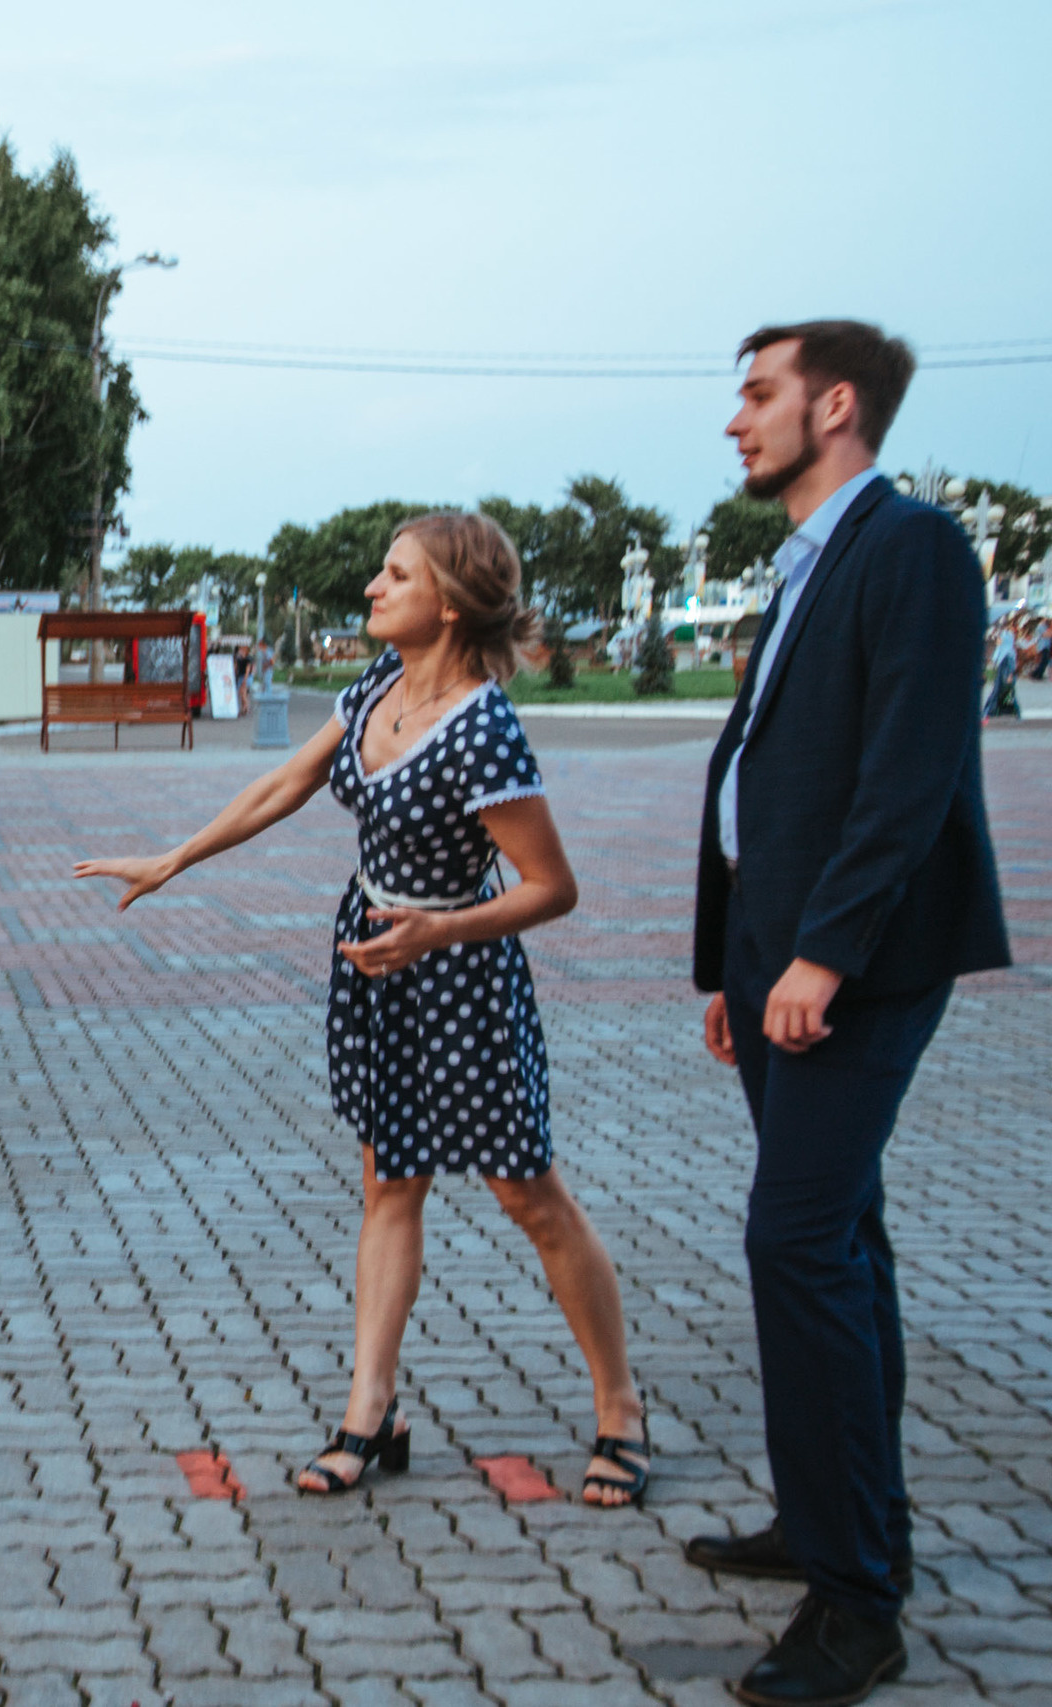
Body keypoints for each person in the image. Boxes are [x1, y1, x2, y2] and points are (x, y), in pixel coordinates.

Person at [75, 512, 649, 1509]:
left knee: (526, 1196)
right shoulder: (375, 688)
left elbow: (551, 888)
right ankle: (367, 1413)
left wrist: (435, 934)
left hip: (458, 975)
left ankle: (620, 1410)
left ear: (452, 603)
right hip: (375, 968)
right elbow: (285, 782)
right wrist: (174, 858)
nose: (373, 588)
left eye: (396, 575)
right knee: (390, 1186)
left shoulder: (482, 726)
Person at [685, 322, 1008, 1707]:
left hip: (855, 965)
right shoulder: (808, 558)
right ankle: (833, 1523)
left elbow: (909, 772)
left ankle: (857, 1601)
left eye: (757, 394)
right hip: (777, 961)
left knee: (797, 1237)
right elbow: (761, 765)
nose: (735, 420)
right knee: (846, 1237)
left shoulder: (915, 545)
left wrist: (819, 954)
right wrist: (731, 964)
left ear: (837, 402)